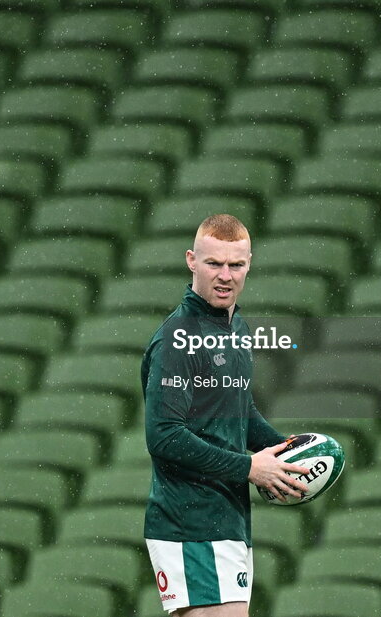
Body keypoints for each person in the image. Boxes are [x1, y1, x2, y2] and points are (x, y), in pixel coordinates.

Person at [141, 214, 310, 616]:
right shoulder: (178, 338)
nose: (225, 275)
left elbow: (238, 410)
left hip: (224, 519)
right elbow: (163, 435)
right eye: (213, 263)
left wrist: (284, 450)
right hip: (191, 521)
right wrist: (249, 468)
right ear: (191, 261)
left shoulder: (237, 329)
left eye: (236, 264)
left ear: (249, 263)